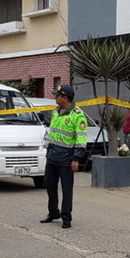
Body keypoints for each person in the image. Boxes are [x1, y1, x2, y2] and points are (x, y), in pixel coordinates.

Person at [40, 85, 88, 229]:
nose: (55, 98)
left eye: (57, 96)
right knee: (50, 186)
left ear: (65, 98)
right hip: (53, 156)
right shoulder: (56, 112)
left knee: (67, 190)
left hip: (67, 158)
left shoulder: (77, 115)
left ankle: (66, 217)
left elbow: (81, 139)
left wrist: (76, 159)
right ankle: (53, 212)